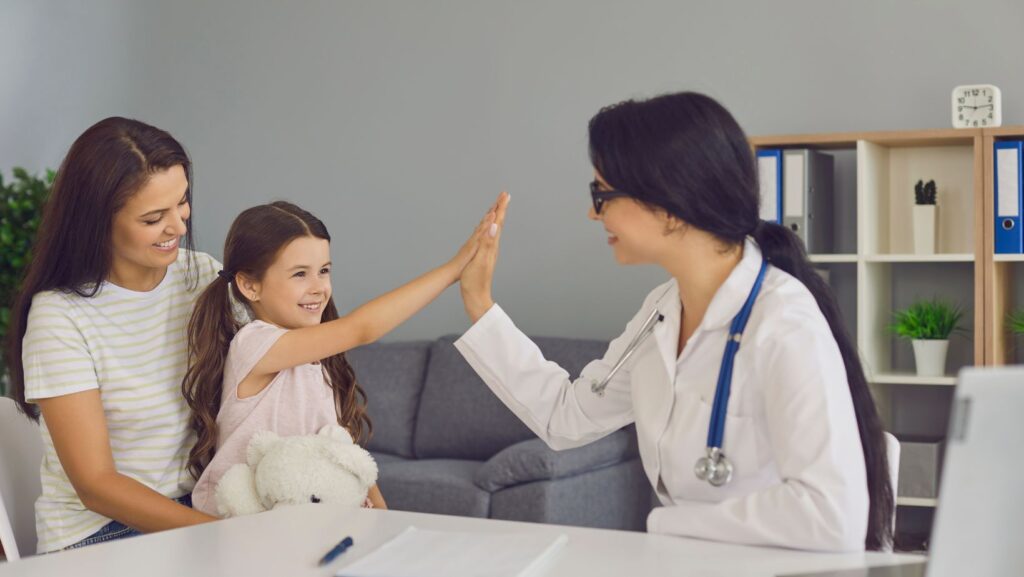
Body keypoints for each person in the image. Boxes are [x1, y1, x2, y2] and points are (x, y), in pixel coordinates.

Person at [455, 92, 894, 552]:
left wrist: (669, 526)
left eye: (601, 194)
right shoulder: (662, 311)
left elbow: (830, 517)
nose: (592, 212)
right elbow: (568, 416)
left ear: (667, 204)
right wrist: (479, 301)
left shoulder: (783, 322)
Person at [184, 200, 498, 515]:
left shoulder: (317, 362)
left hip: (301, 524)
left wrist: (377, 506)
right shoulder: (252, 346)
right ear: (250, 285)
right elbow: (362, 329)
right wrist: (453, 270)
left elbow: (337, 443)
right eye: (299, 274)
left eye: (323, 271)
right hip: (238, 528)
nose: (319, 287)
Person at [5, 117, 222, 552]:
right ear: (97, 221)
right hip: (102, 533)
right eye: (153, 218)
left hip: (198, 506)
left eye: (182, 203)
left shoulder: (203, 276)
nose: (178, 226)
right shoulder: (60, 318)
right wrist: (219, 534)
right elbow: (97, 486)